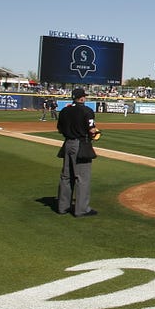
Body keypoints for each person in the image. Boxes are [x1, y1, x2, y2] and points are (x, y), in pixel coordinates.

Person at [56, 87, 100, 217]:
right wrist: (95, 134)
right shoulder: (87, 111)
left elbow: (60, 129)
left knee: (66, 176)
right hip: (80, 145)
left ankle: (63, 207)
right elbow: (92, 130)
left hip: (67, 144)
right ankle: (82, 209)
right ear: (82, 98)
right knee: (82, 178)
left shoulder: (64, 111)